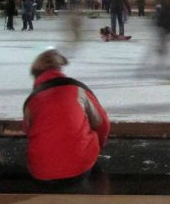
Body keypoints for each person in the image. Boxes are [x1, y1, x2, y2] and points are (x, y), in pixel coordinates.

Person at [23, 50, 110, 182]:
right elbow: (102, 124)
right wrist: (98, 147)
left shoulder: (31, 101)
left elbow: (29, 132)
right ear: (58, 68)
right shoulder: (77, 89)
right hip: (79, 168)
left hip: (40, 172)